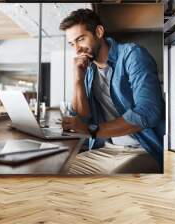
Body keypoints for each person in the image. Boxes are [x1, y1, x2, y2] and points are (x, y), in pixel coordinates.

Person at [59, 9, 165, 174]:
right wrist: (77, 80)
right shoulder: (89, 71)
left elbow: (149, 112)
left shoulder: (132, 55)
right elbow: (81, 119)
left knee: (109, 184)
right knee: (60, 170)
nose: (77, 49)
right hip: (106, 149)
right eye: (72, 44)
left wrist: (93, 130)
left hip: (142, 149)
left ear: (99, 32)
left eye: (81, 39)